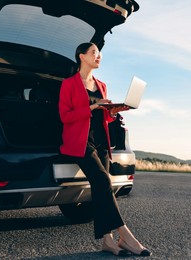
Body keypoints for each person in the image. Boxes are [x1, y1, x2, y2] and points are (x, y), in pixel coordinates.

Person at [58, 42, 152, 257]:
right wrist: (92, 106)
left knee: (102, 187)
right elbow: (65, 116)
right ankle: (125, 234)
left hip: (101, 142)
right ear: (81, 56)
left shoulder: (101, 84)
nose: (98, 56)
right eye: (93, 53)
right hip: (80, 143)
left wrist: (112, 111)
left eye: (99, 54)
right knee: (102, 181)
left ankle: (108, 241)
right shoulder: (69, 84)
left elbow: (104, 118)